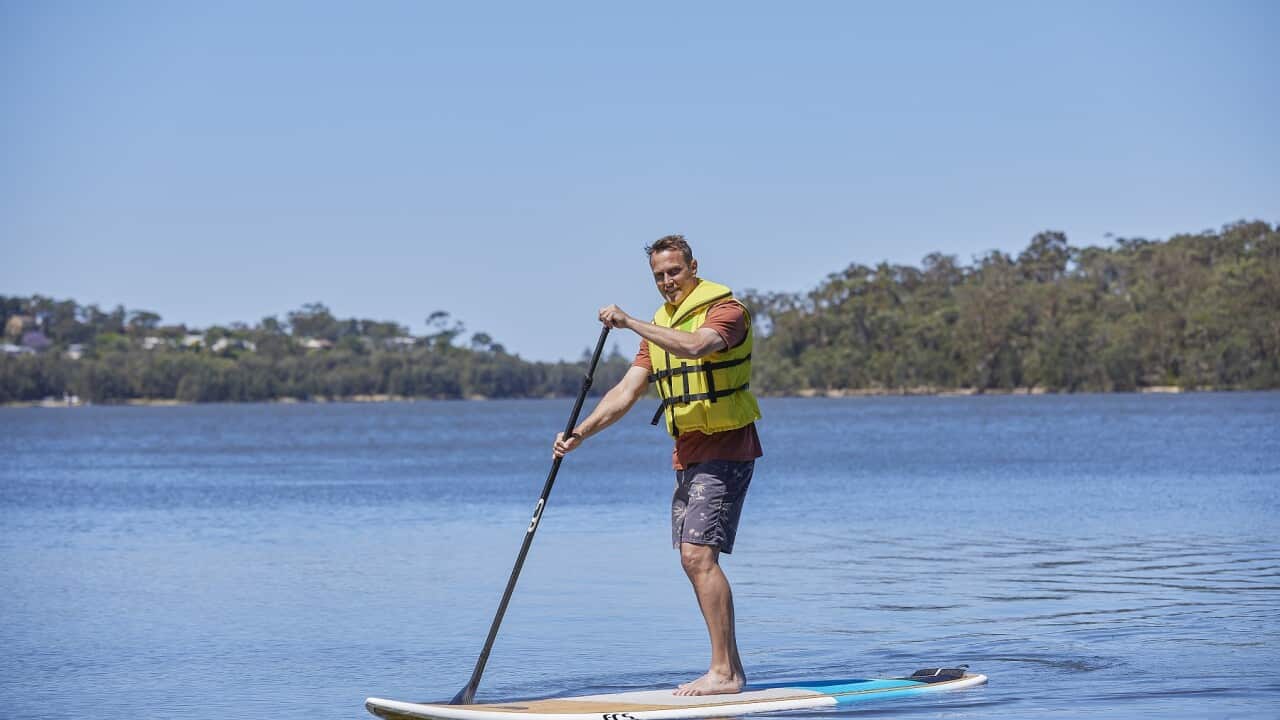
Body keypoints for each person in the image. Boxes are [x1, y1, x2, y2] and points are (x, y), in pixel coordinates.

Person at [552, 234, 763, 697]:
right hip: (688, 453)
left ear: (693, 266)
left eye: (674, 271)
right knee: (693, 560)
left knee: (698, 555)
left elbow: (696, 347)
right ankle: (732, 671)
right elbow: (625, 393)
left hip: (727, 447)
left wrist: (629, 321)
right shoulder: (659, 329)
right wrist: (579, 434)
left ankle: (724, 674)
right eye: (659, 276)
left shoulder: (725, 312)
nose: (667, 282)